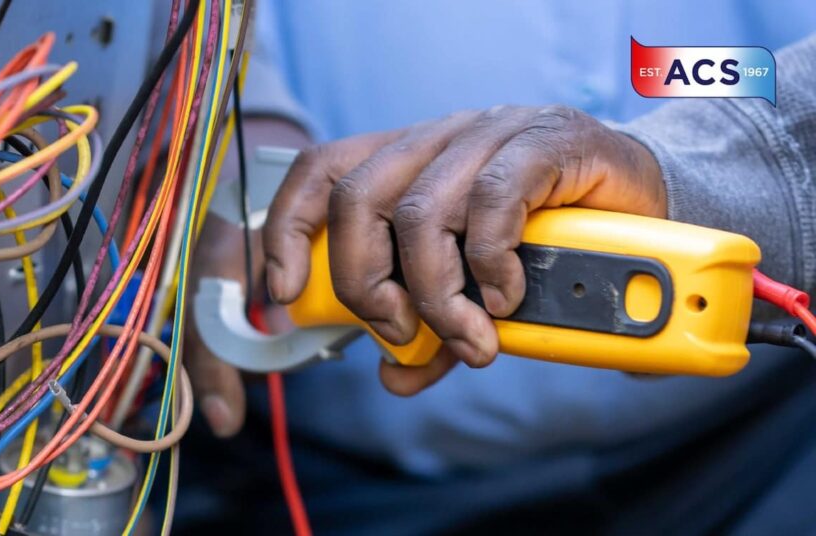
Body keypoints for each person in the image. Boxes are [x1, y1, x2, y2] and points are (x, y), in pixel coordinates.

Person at [176, 2, 816, 533]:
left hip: (760, 455)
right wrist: (229, 122)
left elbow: (724, 82)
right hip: (345, 486)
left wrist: (729, 155)